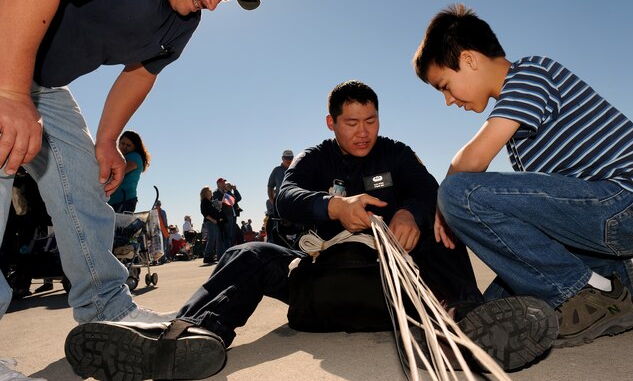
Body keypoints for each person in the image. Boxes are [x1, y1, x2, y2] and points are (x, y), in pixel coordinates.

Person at [65, 81, 558, 381]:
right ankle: (188, 339)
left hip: (396, 294)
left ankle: (468, 324)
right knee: (249, 253)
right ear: (332, 122)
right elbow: (286, 196)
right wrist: (334, 207)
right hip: (318, 287)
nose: (362, 131)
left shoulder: (398, 153)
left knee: (440, 223)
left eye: (370, 120)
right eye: (350, 122)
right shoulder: (315, 158)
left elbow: (430, 189)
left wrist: (411, 212)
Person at [0, 0, 260, 353]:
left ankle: (107, 308)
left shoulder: (183, 19)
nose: (214, 4)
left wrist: (106, 140)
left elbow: (141, 72)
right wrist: (8, 91)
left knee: (81, 179)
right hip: (7, 33)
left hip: (41, 81)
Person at [411, 4, 633, 347]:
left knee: (460, 192)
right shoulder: (518, 126)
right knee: (503, 306)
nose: (447, 100)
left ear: (470, 60)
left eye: (445, 85)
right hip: (604, 220)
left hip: (628, 202)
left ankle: (588, 299)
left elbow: (472, 160)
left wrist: (444, 206)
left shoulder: (530, 74)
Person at [107, 131, 150, 213]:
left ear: (135, 147)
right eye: (122, 143)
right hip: (113, 201)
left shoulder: (134, 156)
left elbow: (119, 171)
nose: (124, 147)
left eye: (128, 145)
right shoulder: (121, 157)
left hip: (124, 200)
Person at [199, 186, 224, 265]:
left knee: (213, 238)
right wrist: (213, 220)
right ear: (206, 192)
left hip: (213, 222)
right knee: (211, 238)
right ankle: (207, 256)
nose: (211, 192)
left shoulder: (210, 201)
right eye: (209, 191)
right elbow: (204, 213)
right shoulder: (204, 201)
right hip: (209, 222)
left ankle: (210, 256)